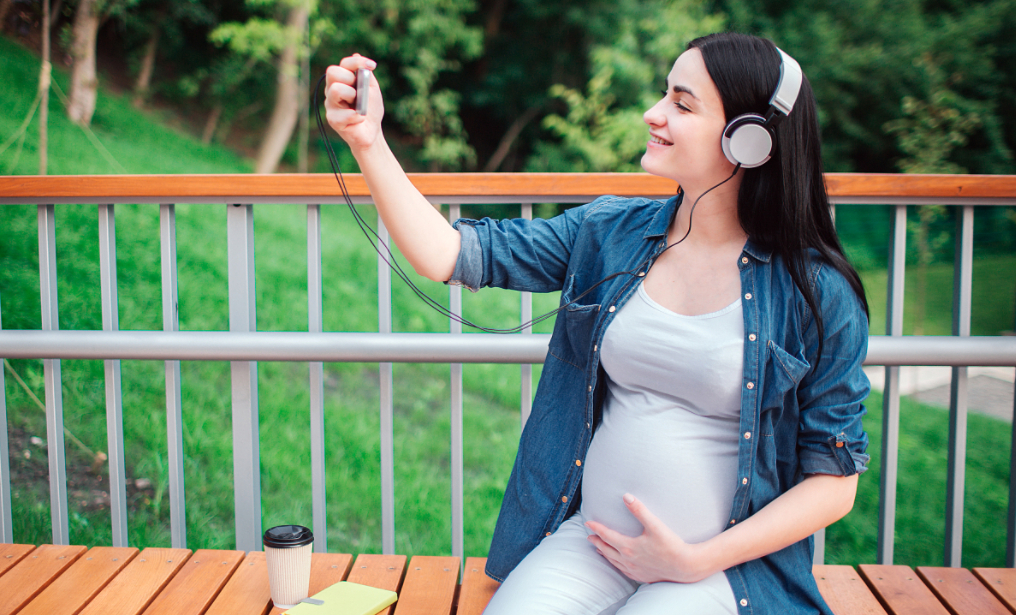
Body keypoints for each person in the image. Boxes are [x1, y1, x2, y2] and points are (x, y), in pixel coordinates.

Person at [325, 31, 870, 615]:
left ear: (750, 140)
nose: (653, 114)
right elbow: (450, 254)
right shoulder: (609, 231)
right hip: (593, 546)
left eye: (682, 105)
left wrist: (694, 561)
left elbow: (834, 481)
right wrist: (369, 141)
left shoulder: (817, 292)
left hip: (720, 570)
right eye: (665, 95)